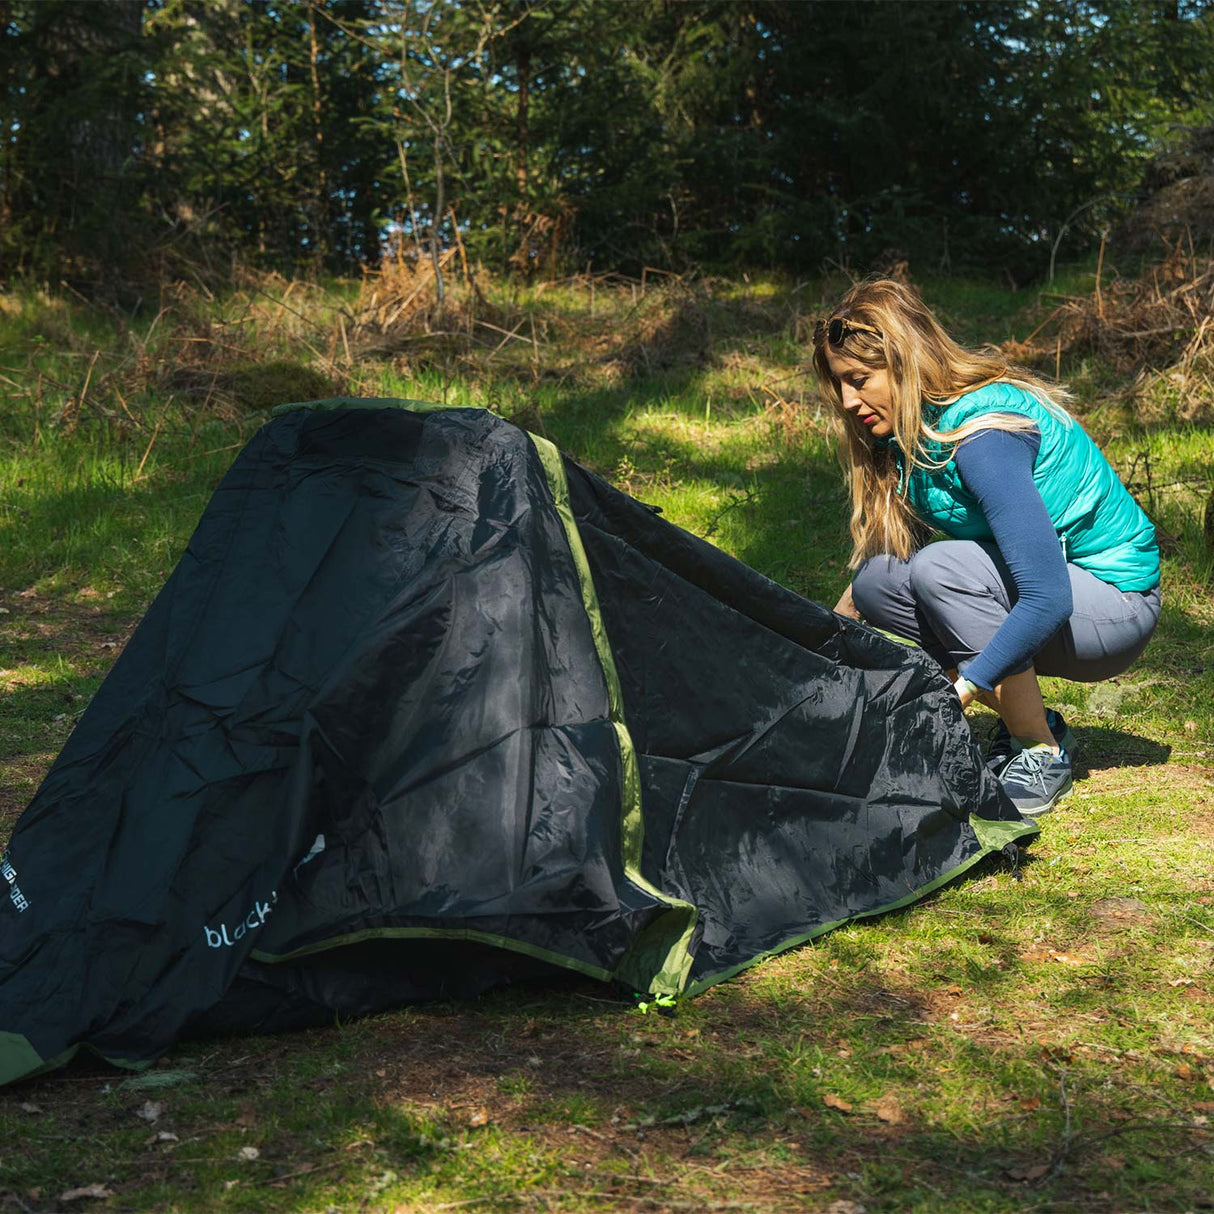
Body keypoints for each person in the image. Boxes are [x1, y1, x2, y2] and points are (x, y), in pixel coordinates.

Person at [811, 278, 1161, 817]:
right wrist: (813, 652)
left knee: (943, 569)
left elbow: (1046, 596)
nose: (848, 401)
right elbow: (871, 590)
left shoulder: (982, 437)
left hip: (1115, 605)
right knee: (878, 580)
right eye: (839, 385)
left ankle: (1040, 747)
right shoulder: (906, 435)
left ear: (904, 363)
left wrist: (961, 691)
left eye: (860, 380)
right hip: (1054, 595)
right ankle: (1030, 717)